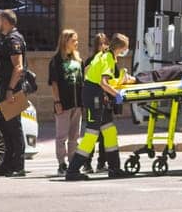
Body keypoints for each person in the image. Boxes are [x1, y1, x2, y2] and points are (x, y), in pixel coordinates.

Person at [66, 33, 132, 181]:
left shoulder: (103, 55)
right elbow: (103, 82)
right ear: (120, 48)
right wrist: (116, 95)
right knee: (92, 133)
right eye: (124, 49)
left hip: (95, 94)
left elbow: (89, 70)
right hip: (94, 96)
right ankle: (73, 170)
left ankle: (114, 168)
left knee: (109, 131)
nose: (124, 52)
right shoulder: (107, 58)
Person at [0, 9, 29, 177]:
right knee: (6, 127)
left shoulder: (13, 39)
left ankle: (18, 165)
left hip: (12, 89)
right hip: (7, 87)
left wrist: (10, 89)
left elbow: (18, 67)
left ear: (6, 22)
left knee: (14, 127)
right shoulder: (8, 39)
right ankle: (7, 164)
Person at [48, 29, 84, 176]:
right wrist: (57, 101)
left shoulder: (78, 60)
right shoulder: (56, 61)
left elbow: (82, 81)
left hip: (77, 103)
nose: (76, 43)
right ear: (65, 42)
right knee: (61, 136)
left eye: (76, 40)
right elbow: (54, 83)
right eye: (73, 40)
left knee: (74, 136)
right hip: (63, 103)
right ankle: (61, 163)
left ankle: (72, 163)